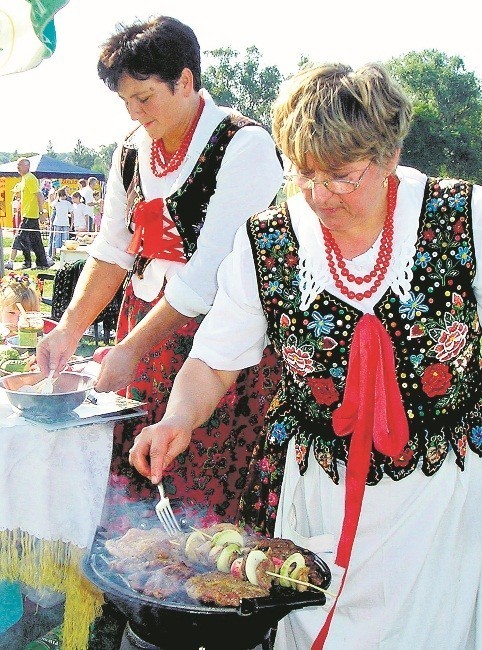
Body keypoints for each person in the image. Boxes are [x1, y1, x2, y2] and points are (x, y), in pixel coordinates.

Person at [129, 62, 482, 650]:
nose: (320, 196)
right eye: (303, 175)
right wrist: (177, 419)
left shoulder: (463, 218)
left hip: (439, 501)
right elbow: (215, 359)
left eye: (341, 176)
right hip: (317, 493)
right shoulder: (269, 237)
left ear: (390, 154)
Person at [37, 15, 283, 522]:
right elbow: (111, 250)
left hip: (218, 344)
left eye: (144, 98)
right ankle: (130, 591)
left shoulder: (244, 145)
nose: (133, 112)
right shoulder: (130, 151)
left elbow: (207, 275)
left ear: (186, 81)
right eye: (125, 102)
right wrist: (69, 329)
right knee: (134, 475)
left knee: (203, 490)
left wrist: (130, 349)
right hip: (146, 331)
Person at [4, 158, 53, 270]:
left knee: (20, 237)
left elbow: (40, 196)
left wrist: (41, 212)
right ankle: (43, 263)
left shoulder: (30, 178)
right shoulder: (25, 179)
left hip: (30, 215)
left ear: (27, 166)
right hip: (28, 214)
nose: (18, 167)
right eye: (17, 165)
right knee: (36, 240)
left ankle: (26, 262)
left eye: (20, 165)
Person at [48, 187, 73, 257]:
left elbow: (51, 204)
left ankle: (53, 255)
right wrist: (71, 225)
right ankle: (64, 256)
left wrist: (56, 197)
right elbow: (72, 214)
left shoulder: (58, 202)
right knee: (65, 240)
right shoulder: (67, 203)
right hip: (64, 223)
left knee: (56, 239)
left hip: (58, 223)